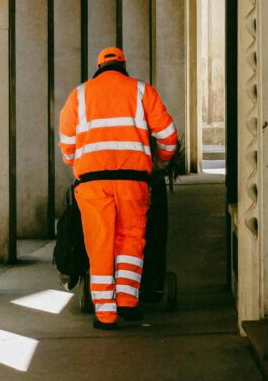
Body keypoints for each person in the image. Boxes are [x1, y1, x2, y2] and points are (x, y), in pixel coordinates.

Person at [58, 47, 178, 330]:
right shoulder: (141, 91)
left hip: (92, 184)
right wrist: (160, 160)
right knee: (131, 239)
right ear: (123, 65)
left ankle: (106, 315)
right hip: (132, 180)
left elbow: (66, 143)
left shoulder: (79, 95)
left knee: (100, 243)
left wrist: (76, 160)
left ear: (98, 67)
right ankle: (127, 300)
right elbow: (168, 137)